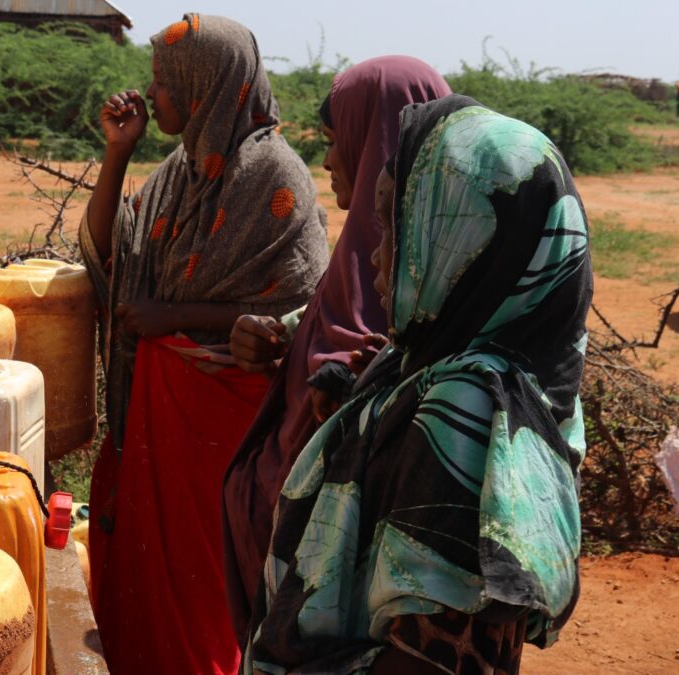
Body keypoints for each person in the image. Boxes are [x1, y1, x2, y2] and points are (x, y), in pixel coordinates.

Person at [243, 94, 591, 674]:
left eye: (396, 224)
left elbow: (438, 661)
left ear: (464, 242)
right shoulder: (432, 365)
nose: (378, 255)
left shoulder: (471, 415)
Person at [79, 13, 329, 674]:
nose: (150, 94)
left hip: (224, 428)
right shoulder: (181, 169)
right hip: (160, 418)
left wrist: (176, 313)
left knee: (204, 597)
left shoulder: (274, 176)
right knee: (148, 604)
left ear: (207, 85)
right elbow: (110, 255)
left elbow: (296, 312)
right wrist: (117, 152)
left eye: (165, 82)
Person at [223, 56, 451, 637]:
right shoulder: (357, 253)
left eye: (335, 140)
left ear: (377, 140)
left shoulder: (439, 280)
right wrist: (279, 333)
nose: (326, 160)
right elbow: (328, 320)